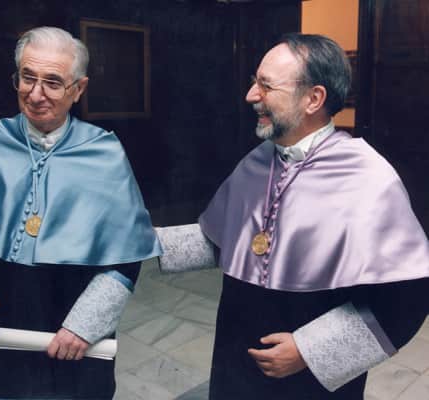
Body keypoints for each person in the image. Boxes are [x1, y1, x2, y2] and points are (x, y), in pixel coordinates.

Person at [157, 33, 429, 399]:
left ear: (313, 98)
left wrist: (310, 351)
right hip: (235, 361)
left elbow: (406, 301)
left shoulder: (369, 178)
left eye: (266, 86)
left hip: (310, 382)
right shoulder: (256, 161)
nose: (251, 95)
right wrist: (148, 242)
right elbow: (225, 242)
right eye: (254, 82)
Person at [0, 26, 161, 399]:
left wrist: (84, 326)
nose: (36, 94)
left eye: (53, 82)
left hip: (71, 338)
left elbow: (126, 258)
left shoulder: (105, 154)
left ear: (78, 89)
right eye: (27, 78)